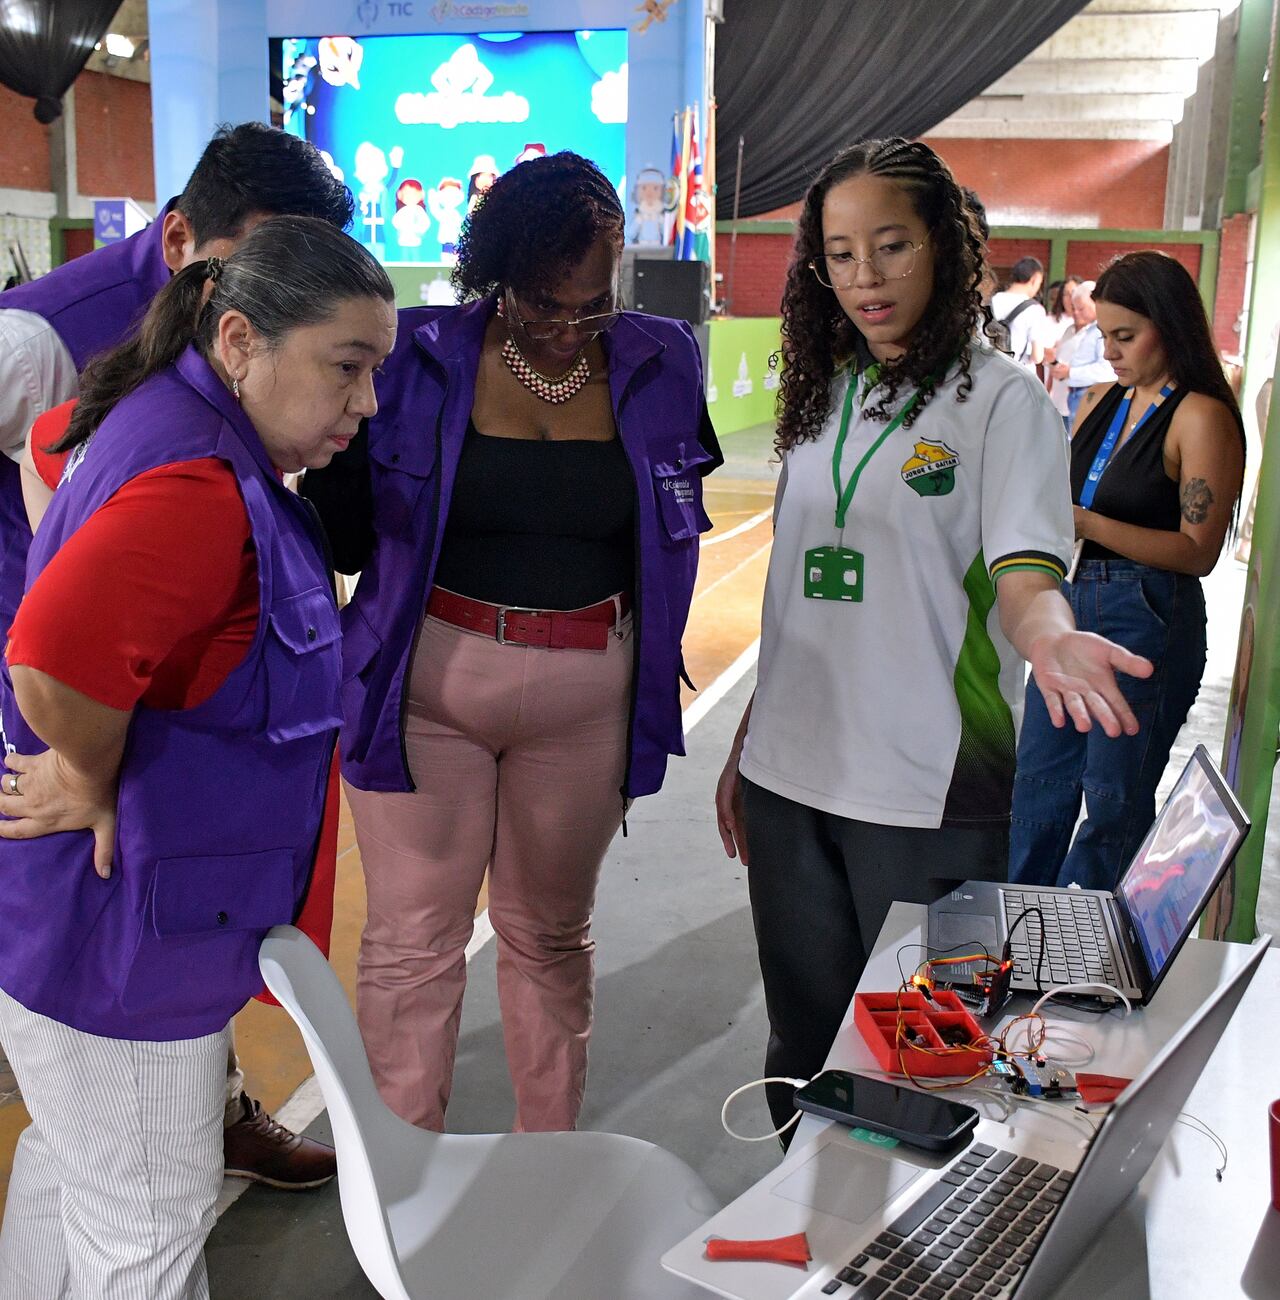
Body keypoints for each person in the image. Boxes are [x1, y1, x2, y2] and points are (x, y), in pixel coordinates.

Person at [711, 138, 1150, 1136]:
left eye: (890, 245)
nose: (864, 276)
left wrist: (1045, 634)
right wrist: (747, 743)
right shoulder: (819, 392)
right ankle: (799, 1256)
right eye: (840, 252)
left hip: (928, 794)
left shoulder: (1002, 404)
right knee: (799, 1046)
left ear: (945, 249)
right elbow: (793, 602)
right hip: (789, 785)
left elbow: (1024, 570)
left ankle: (898, 1281)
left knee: (917, 1063)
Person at [0, 217, 396, 1298]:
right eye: (347, 367)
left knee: (78, 1170)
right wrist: (84, 771)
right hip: (120, 945)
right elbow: (50, 657)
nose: (365, 403)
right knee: (149, 1218)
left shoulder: (173, 422)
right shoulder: (199, 483)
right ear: (238, 341)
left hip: (99, 927)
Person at [301, 151, 719, 1133]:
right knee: (412, 940)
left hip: (586, 692)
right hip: (425, 687)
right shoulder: (413, 353)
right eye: (544, 303)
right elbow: (339, 518)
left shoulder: (663, 359)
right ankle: (398, 1173)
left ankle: (549, 1159)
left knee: (547, 934)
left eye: (592, 303)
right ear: (498, 272)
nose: (571, 325)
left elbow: (674, 523)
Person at [1009, 251, 1246, 891]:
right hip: (1071, 600)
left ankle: (1088, 961)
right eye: (1105, 335)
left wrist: (1087, 524)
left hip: (1144, 612)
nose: (1110, 351)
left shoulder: (1200, 414)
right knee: (1039, 782)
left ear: (1169, 326)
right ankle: (1018, 930)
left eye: (1124, 336)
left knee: (1113, 798)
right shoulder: (1103, 400)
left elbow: (1198, 551)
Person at [1050, 279, 1115, 429]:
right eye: (1074, 308)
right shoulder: (1079, 329)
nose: (1076, 313)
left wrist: (1071, 373)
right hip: (1071, 395)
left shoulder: (1102, 331)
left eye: (1081, 308)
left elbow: (1107, 370)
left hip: (1091, 394)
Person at [990, 256, 1046, 370]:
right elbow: (1037, 356)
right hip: (1018, 372)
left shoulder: (991, 300)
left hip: (992, 369)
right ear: (1035, 279)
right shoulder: (1034, 309)